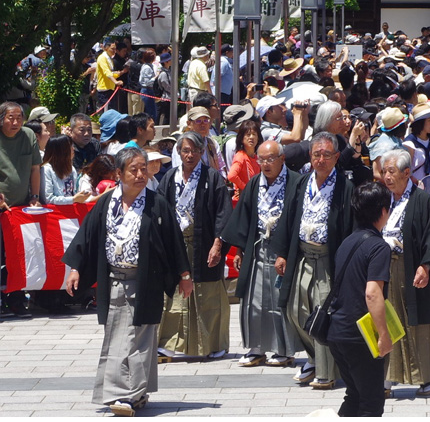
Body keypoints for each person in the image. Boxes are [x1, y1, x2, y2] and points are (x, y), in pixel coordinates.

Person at [63, 146, 192, 417]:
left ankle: (127, 395)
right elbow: (86, 238)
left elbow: (173, 242)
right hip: (114, 280)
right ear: (119, 173)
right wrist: (75, 269)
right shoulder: (106, 203)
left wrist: (184, 276)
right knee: (118, 339)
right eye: (133, 170)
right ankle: (134, 391)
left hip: (146, 280)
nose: (140, 174)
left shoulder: (157, 204)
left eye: (143, 169)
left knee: (139, 339)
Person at [271, 130, 353, 389]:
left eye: (326, 155)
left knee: (323, 313)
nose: (321, 159)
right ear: (310, 155)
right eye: (316, 154)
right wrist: (283, 253)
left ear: (336, 157)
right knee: (296, 311)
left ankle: (326, 373)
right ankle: (314, 357)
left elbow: (349, 226)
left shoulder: (345, 186)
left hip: (329, 260)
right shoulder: (301, 183)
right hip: (303, 256)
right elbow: (288, 218)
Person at [220, 139, 301, 368]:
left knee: (279, 300)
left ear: (282, 159)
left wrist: (286, 251)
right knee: (253, 301)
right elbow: (244, 218)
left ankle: (283, 349)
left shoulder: (296, 182)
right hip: (258, 248)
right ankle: (256, 349)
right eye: (261, 159)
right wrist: (239, 248)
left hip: (282, 248)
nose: (265, 164)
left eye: (270, 159)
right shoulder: (255, 183)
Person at [158, 131, 231, 361]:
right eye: (185, 150)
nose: (190, 155)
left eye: (194, 150)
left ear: (202, 152)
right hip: (176, 244)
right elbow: (160, 211)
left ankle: (214, 343)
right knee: (173, 294)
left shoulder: (212, 178)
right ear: (179, 152)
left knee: (209, 295)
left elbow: (223, 214)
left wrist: (218, 244)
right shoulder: (170, 178)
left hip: (204, 242)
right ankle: (169, 343)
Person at [378, 149, 430, 398]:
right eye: (385, 171)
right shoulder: (383, 198)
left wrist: (426, 265)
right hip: (384, 267)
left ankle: (428, 377)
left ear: (407, 173)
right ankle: (386, 377)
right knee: (386, 319)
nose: (387, 176)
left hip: (412, 266)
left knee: (420, 322)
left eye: (392, 171)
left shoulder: (421, 199)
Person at [327, 181, 394, 417]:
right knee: (371, 403)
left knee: (355, 395)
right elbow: (372, 293)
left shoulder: (347, 242)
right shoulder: (378, 247)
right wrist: (383, 335)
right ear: (383, 211)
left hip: (338, 333)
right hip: (361, 338)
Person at [0, 101, 42, 316]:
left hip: (20, 208)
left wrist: (34, 196)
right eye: (10, 118)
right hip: (1, 208)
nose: (15, 122)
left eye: (19, 118)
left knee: (18, 256)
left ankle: (16, 300)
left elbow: (35, 168)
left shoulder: (28, 135)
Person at [40, 134, 87, 205]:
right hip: (54, 213)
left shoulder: (71, 168)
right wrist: (72, 199)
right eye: (70, 147)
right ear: (61, 151)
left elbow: (74, 193)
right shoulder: (46, 169)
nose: (73, 149)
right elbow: (48, 199)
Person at [227, 117, 262, 204]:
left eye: (254, 134)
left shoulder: (257, 157)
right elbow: (231, 176)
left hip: (254, 200)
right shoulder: (240, 156)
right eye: (248, 134)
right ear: (241, 138)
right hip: (241, 202)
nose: (251, 137)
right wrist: (245, 187)